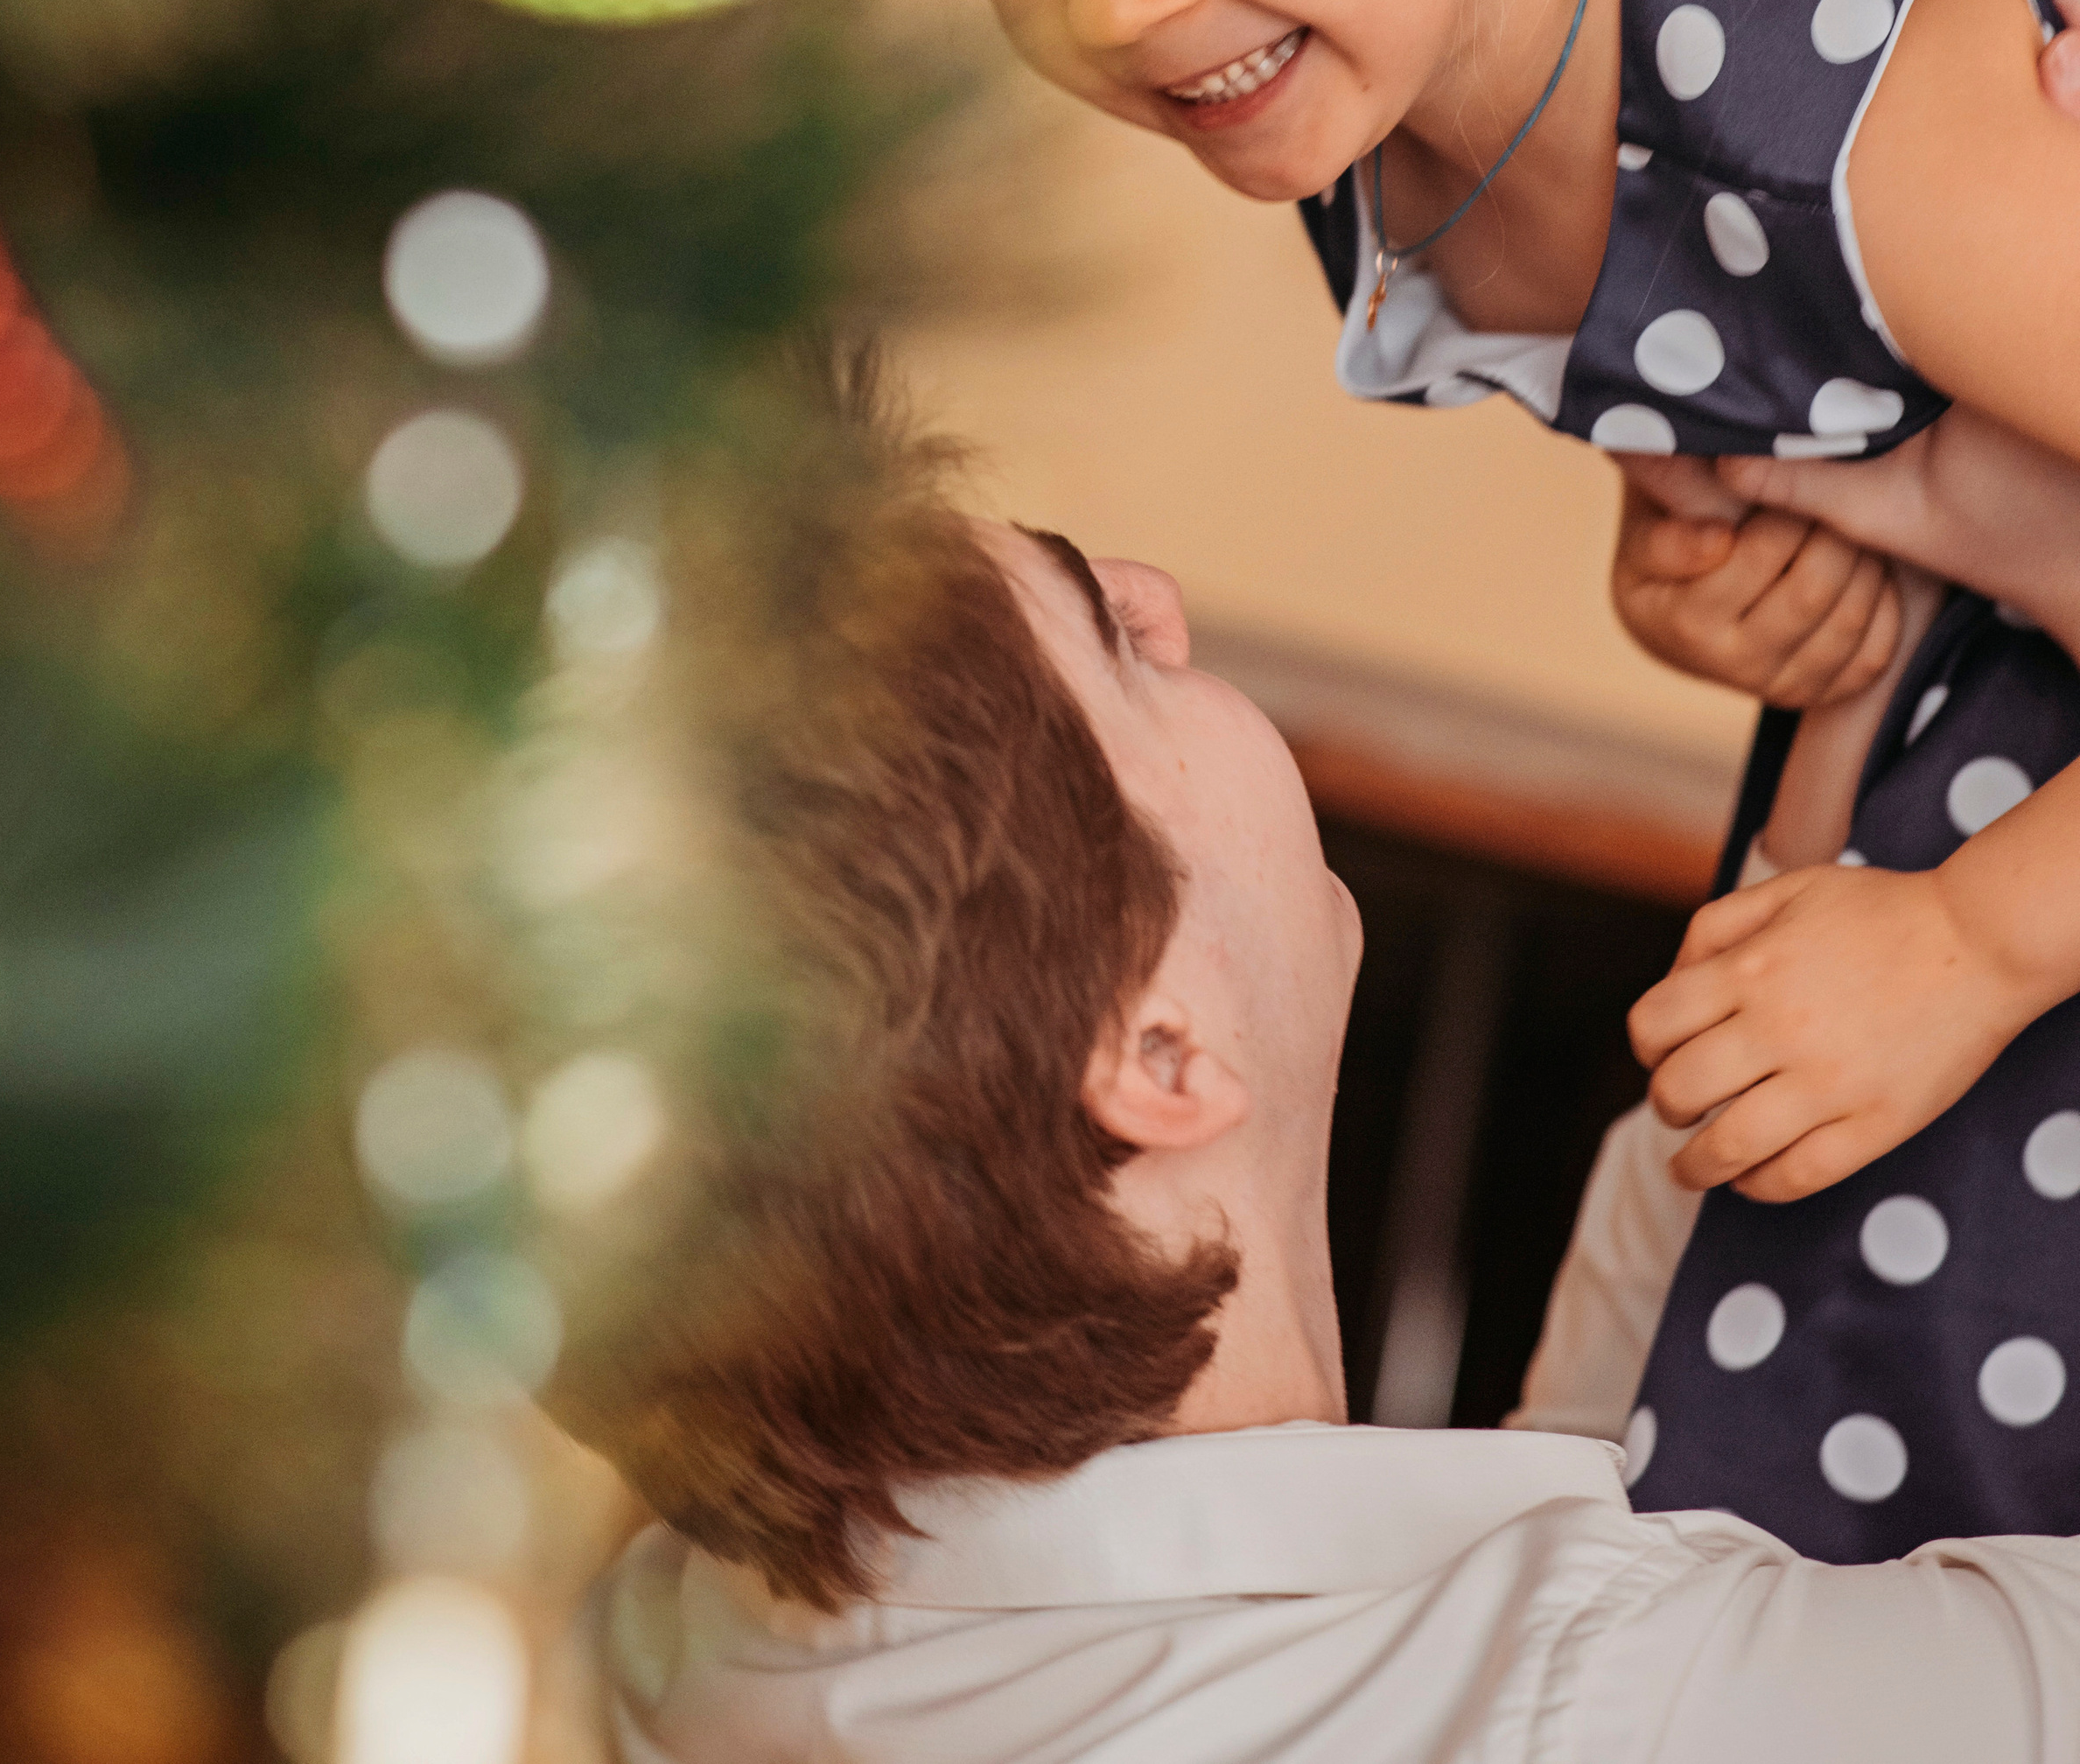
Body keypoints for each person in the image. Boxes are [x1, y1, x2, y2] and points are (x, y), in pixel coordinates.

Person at [703, 0, 2080, 1550]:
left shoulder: (1829, 70)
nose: (1108, 0)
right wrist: (1719, 581)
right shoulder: (1378, 127)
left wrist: (1984, 939)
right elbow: (1855, 467)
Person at [575, 381, 2080, 1760]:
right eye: (1110, 641)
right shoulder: (1642, 1717)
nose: (1159, 602)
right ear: (1158, 1050)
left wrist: (1838, 781)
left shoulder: (696, 1640)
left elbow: (1570, 1537)